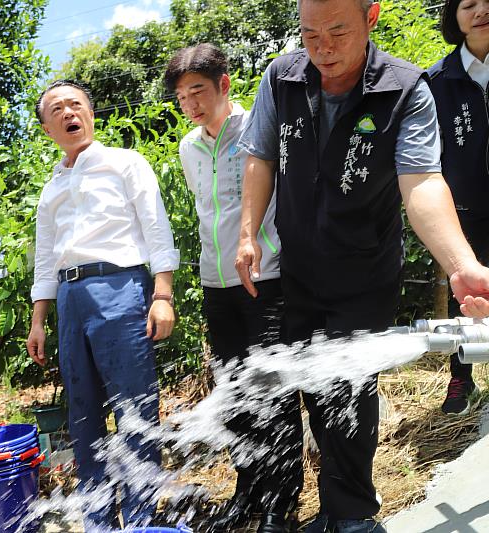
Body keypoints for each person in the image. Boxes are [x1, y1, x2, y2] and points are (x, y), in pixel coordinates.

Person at [235, 0, 489, 531]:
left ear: (371, 18)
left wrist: (461, 263)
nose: (322, 49)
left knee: (349, 388)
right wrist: (248, 231)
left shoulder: (404, 88)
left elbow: (420, 182)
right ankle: (309, 507)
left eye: (337, 32)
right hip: (295, 265)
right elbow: (259, 154)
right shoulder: (281, 77)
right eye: (309, 35)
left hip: (364, 268)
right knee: (301, 385)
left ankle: (350, 514)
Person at [26, 80, 179, 531]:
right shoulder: (51, 187)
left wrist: (163, 294)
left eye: (76, 104)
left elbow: (156, 226)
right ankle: (98, 521)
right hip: (70, 300)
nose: (69, 112)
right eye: (57, 109)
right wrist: (39, 319)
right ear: (47, 127)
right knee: (83, 414)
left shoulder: (124, 163)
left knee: (134, 409)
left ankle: (139, 519)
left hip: (120, 288)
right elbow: (45, 257)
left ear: (92, 113)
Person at [164, 43, 302, 533]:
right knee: (234, 394)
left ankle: (280, 502)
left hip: (265, 279)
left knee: (273, 392)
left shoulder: (257, 128)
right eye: (182, 97)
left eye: (198, 90)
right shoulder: (187, 147)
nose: (192, 104)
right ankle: (248, 487)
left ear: (224, 84)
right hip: (214, 283)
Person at [428, 0, 489, 415]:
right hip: (462, 209)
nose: (481, 10)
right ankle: (460, 377)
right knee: (463, 294)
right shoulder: (437, 79)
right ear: (455, 17)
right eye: (469, 4)